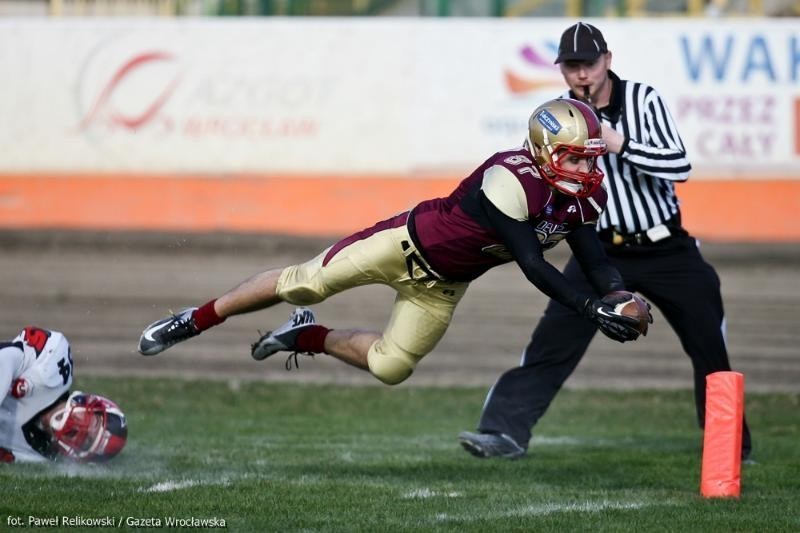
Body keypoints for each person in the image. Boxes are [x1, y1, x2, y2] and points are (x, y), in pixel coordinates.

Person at [138, 98, 651, 390]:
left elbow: (594, 257)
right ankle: (196, 318)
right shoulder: (510, 177)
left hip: (443, 286)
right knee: (305, 283)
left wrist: (616, 294)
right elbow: (532, 264)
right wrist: (589, 308)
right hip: (404, 244)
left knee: (391, 367)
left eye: (590, 158)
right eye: (576, 159)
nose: (588, 170)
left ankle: (305, 338)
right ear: (542, 152)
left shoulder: (585, 196)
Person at [458, 22, 751, 461]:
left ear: (607, 61)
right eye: (572, 67)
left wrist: (619, 144)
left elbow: (680, 165)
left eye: (589, 65)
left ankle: (730, 447)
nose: (582, 76)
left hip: (665, 246)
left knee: (709, 342)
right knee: (552, 342)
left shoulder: (643, 100)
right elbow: (532, 170)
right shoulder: (556, 117)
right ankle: (503, 432)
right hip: (596, 249)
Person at [1, 326, 127, 463]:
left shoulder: (35, 454)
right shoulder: (53, 374)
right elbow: (8, 355)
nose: (84, 431)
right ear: (91, 403)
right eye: (95, 424)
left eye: (88, 441)